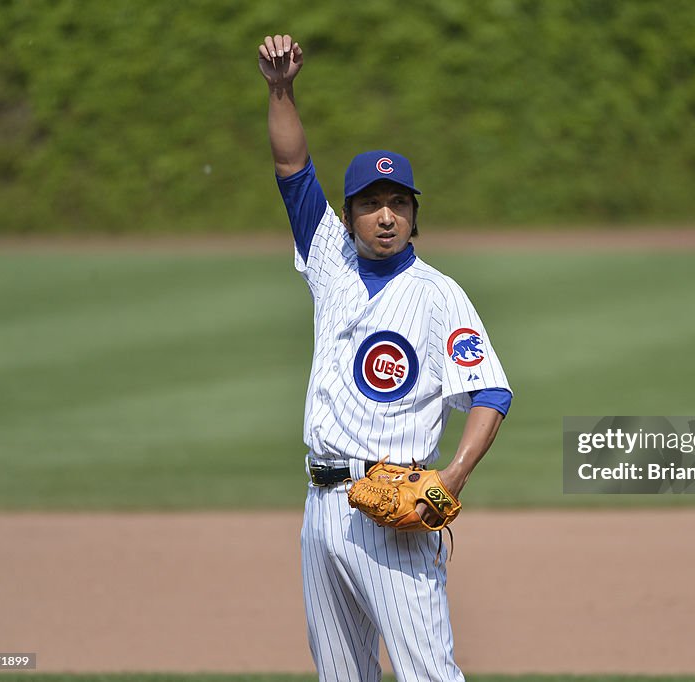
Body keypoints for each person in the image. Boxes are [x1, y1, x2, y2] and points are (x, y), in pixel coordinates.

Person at [258, 33, 513, 682]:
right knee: (341, 676)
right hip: (321, 507)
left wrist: (452, 476)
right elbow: (293, 169)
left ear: (414, 215)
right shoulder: (327, 257)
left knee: (429, 675)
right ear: (348, 216)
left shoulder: (438, 295)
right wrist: (280, 90)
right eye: (371, 203)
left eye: (399, 203)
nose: (386, 215)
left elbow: (490, 393)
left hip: (394, 509)